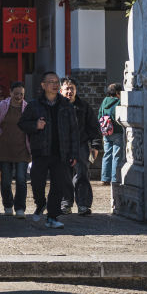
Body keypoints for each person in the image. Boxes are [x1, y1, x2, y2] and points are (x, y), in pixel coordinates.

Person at [18, 72, 79, 229]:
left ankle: (52, 217)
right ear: (43, 85)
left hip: (61, 152)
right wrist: (35, 125)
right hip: (41, 150)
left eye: (56, 82)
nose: (54, 84)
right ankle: (40, 203)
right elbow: (22, 124)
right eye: (51, 82)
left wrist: (74, 153)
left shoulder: (66, 105)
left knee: (58, 185)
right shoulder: (34, 105)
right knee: (37, 182)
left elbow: (74, 130)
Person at [60, 78, 102, 216]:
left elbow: (93, 127)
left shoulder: (83, 106)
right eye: (66, 88)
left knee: (82, 174)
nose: (69, 91)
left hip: (81, 145)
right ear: (61, 91)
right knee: (64, 175)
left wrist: (95, 145)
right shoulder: (56, 107)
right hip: (62, 145)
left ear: (76, 90)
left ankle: (83, 205)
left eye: (72, 88)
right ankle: (65, 203)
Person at [0, 81, 30, 218]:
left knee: (21, 179)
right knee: (6, 180)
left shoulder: (27, 108)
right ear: (10, 93)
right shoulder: (1, 107)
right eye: (16, 93)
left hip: (22, 149)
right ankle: (7, 205)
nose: (19, 97)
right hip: (4, 148)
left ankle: (20, 208)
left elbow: (31, 125)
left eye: (21, 94)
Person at [98, 83, 125, 185]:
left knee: (107, 154)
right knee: (116, 156)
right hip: (117, 131)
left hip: (106, 131)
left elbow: (99, 115)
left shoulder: (105, 101)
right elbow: (117, 116)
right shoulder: (119, 102)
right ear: (118, 93)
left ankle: (105, 178)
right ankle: (114, 179)